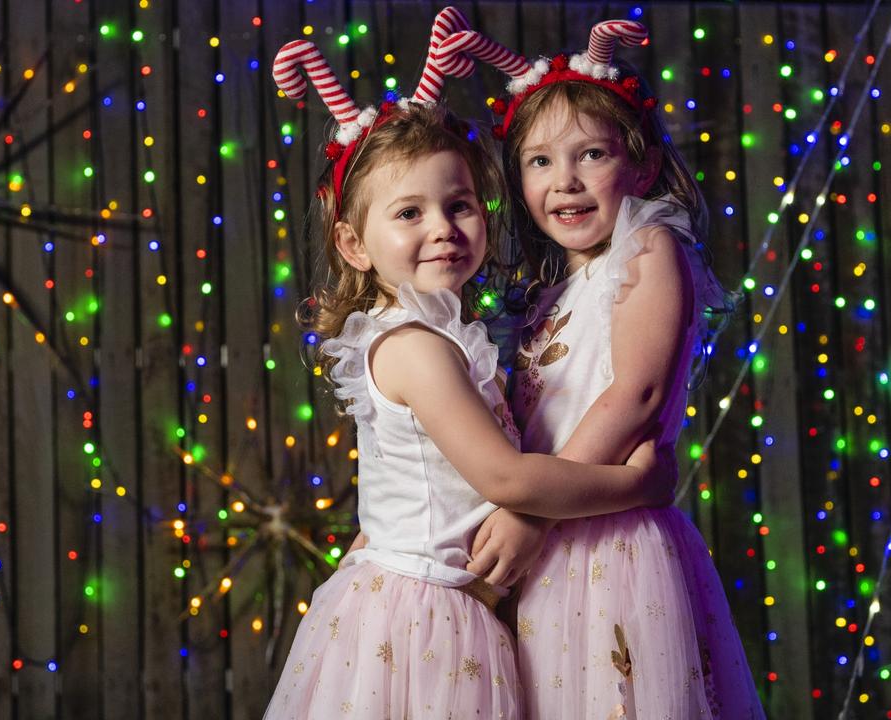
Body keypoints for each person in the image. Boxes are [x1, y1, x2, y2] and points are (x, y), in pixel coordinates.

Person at [264, 14, 674, 717]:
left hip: (448, 600)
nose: (443, 229)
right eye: (409, 213)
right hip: (427, 614)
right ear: (353, 244)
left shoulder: (444, 333)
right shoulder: (418, 349)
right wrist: (633, 486)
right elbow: (503, 478)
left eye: (458, 205)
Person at [433, 19, 766, 718]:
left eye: (591, 154)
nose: (567, 181)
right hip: (547, 563)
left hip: (612, 553)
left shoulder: (648, 248)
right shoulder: (548, 295)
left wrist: (527, 513)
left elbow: (636, 395)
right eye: (540, 161)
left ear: (640, 165)